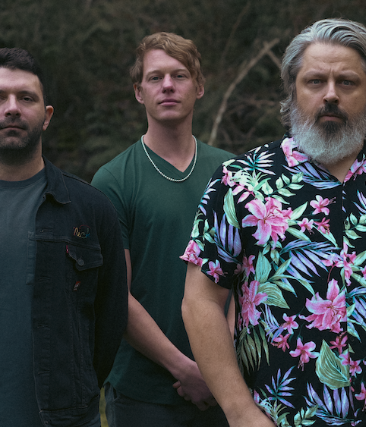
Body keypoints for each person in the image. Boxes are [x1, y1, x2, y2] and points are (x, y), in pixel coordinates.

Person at [181, 18, 366, 427]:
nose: (330, 94)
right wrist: (240, 412)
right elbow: (200, 302)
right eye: (315, 81)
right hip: (277, 418)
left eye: (347, 82)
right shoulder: (241, 181)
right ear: (292, 90)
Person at [91, 32, 234, 426]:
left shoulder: (232, 173)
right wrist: (185, 369)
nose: (167, 85)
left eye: (179, 75)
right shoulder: (113, 180)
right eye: (155, 77)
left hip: (229, 387)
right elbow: (115, 294)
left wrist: (221, 363)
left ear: (199, 87)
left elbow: (248, 279)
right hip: (143, 393)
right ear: (139, 92)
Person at [0, 47, 127, 426]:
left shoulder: (90, 209)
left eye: (26, 98)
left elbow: (110, 319)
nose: (12, 108)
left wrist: (76, 393)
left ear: (47, 116)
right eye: (1, 97)